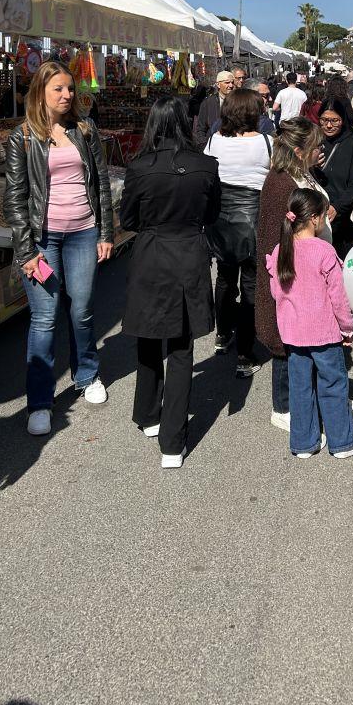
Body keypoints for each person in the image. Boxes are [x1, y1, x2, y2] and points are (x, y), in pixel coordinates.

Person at [4, 61, 114, 436]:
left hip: (84, 233)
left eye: (70, 89)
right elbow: (15, 198)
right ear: (41, 92)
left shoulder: (85, 128)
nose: (67, 95)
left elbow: (100, 183)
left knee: (81, 310)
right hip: (43, 241)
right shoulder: (22, 136)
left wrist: (106, 232)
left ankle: (87, 374)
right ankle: (39, 399)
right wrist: (26, 251)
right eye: (59, 90)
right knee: (45, 317)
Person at [120, 96, 220, 469]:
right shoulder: (206, 166)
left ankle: (148, 414)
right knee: (181, 346)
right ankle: (172, 442)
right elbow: (212, 213)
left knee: (149, 337)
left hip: (151, 254)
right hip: (189, 252)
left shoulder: (140, 166)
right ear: (185, 122)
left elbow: (128, 218)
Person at [266, 188, 353, 459]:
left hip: (293, 335)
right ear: (314, 218)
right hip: (324, 334)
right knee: (333, 384)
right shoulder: (324, 250)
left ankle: (303, 443)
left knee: (300, 387)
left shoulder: (279, 251)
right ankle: (342, 442)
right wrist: (347, 328)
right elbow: (338, 298)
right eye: (324, 215)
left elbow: (277, 293)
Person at [204, 88, 272, 376]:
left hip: (221, 220)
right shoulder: (267, 142)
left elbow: (207, 176)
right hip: (253, 221)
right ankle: (245, 352)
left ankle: (222, 334)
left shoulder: (214, 141)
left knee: (224, 278)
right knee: (251, 286)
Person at [314, 97, 353, 261]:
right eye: (324, 120)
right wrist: (311, 164)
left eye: (334, 120)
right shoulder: (314, 141)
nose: (329, 125)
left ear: (343, 119)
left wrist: (337, 207)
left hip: (345, 221)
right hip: (316, 217)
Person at [193, 70, 235, 147]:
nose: (231, 85)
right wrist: (204, 146)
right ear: (218, 84)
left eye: (232, 82)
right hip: (213, 147)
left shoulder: (239, 102)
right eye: (227, 82)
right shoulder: (208, 102)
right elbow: (200, 128)